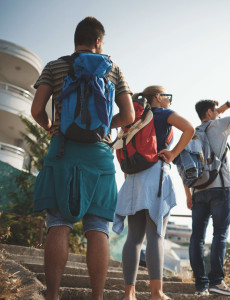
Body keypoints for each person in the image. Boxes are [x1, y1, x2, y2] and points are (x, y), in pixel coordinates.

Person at [30, 17, 135, 300]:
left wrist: (51, 125)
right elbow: (129, 116)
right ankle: (97, 298)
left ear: (76, 39)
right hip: (99, 156)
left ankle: (52, 296)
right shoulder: (112, 69)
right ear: (99, 41)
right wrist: (103, 125)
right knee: (98, 227)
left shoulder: (54, 66)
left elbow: (36, 108)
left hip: (62, 150)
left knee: (58, 224)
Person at [112, 86, 195, 300]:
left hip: (133, 179)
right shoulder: (163, 113)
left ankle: (128, 294)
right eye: (167, 96)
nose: (169, 100)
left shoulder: (134, 118)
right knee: (156, 235)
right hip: (155, 175)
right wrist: (173, 153)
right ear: (158, 98)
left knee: (133, 238)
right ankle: (156, 293)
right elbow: (189, 129)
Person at [185, 99, 230, 296]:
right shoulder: (218, 125)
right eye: (216, 110)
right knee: (219, 234)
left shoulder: (191, 132)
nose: (219, 113)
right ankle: (216, 282)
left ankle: (200, 285)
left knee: (196, 237)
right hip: (220, 189)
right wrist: (228, 104)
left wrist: (188, 194)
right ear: (209, 112)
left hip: (197, 191)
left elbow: (185, 166)